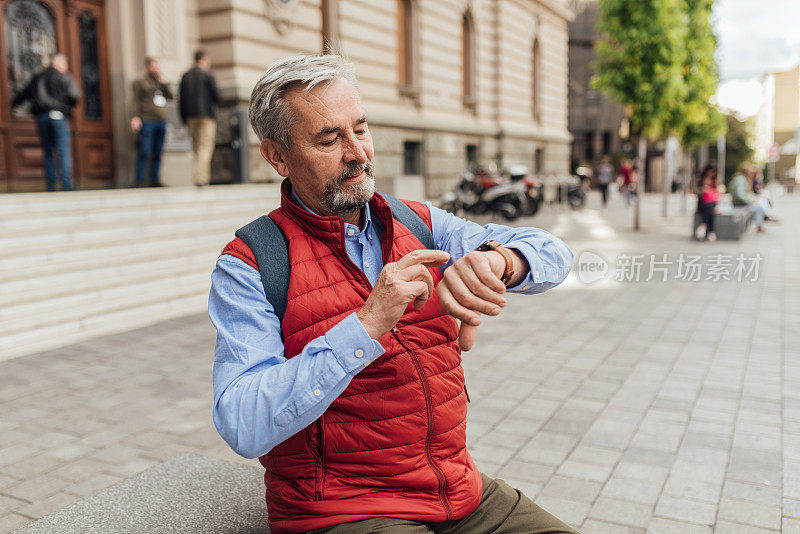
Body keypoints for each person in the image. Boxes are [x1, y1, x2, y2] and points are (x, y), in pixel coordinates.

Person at [208, 54, 575, 534]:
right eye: (329, 139)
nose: (357, 152)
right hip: (344, 510)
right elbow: (242, 421)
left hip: (458, 493)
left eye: (360, 129)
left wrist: (498, 261)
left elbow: (553, 252)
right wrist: (365, 325)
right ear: (277, 156)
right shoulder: (251, 262)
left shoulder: (417, 222)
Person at [11, 53, 81, 191]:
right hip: (59, 116)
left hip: (42, 117)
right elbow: (75, 95)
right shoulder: (65, 77)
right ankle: (66, 184)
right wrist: (65, 107)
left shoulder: (38, 77)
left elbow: (23, 94)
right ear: (60, 64)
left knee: (48, 151)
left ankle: (51, 185)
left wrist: (13, 105)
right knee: (62, 150)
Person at [179, 50, 220, 187]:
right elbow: (217, 96)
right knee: (205, 147)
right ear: (203, 59)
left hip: (190, 116)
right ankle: (201, 178)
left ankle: (199, 176)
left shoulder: (185, 76)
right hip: (206, 115)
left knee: (196, 146)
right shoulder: (208, 75)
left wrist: (183, 117)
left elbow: (181, 99)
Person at [131, 57, 173, 187]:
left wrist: (164, 83)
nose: (156, 69)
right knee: (144, 151)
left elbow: (171, 96)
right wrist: (135, 117)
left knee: (158, 152)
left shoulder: (160, 82)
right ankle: (138, 180)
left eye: (157, 66)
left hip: (161, 121)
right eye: (153, 66)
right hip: (147, 120)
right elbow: (136, 101)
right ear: (148, 67)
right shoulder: (141, 82)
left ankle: (155, 179)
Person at [729, 162, 776, 232]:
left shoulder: (741, 178)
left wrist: (754, 197)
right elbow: (740, 194)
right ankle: (766, 217)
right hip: (739, 203)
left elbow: (744, 193)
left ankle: (762, 223)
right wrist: (751, 199)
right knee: (760, 205)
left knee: (761, 202)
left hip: (740, 202)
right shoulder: (741, 179)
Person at [695, 163, 719, 241]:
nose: (711, 173)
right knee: (709, 207)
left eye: (713, 172)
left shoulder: (715, 181)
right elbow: (696, 192)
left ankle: (703, 226)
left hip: (711, 202)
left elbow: (716, 194)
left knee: (709, 207)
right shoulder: (701, 179)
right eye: (710, 171)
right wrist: (703, 190)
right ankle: (711, 232)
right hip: (702, 202)